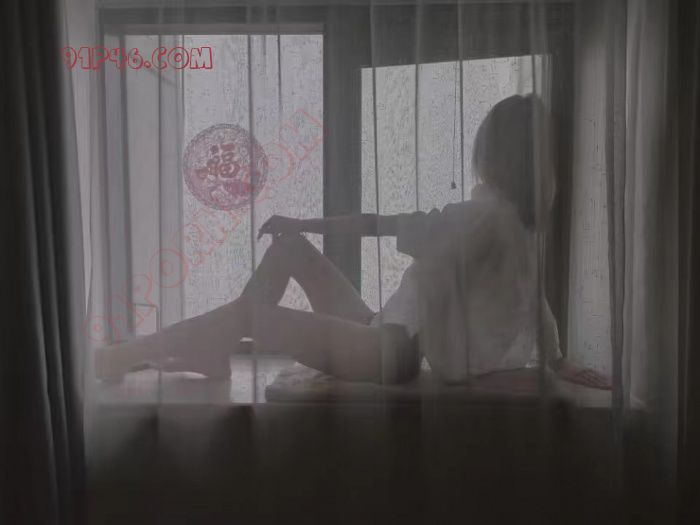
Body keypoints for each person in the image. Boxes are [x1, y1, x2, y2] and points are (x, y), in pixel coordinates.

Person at [96, 94, 610, 390]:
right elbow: (535, 300)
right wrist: (559, 359)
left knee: (251, 312)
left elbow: (377, 223)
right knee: (288, 248)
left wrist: (307, 219)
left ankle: (127, 356)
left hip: (388, 353)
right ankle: (213, 349)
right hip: (384, 333)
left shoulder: (482, 218)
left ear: (494, 155)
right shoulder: (515, 227)